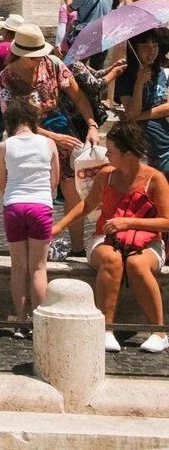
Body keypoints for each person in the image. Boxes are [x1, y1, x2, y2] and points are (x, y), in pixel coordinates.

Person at [52, 122, 169, 353]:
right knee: (111, 259)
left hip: (148, 241)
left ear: (127, 154)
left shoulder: (155, 179)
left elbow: (166, 221)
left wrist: (128, 222)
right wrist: (59, 226)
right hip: (105, 238)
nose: (106, 155)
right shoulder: (106, 175)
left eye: (111, 151)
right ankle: (106, 328)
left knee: (137, 264)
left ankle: (159, 331)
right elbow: (87, 205)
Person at [0, 23, 102, 257]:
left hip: (60, 127)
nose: (38, 59)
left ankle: (77, 247)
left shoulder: (53, 64)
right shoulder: (7, 77)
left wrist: (92, 125)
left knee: (72, 190)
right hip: (26, 136)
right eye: (32, 56)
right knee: (34, 192)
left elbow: (78, 96)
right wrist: (51, 138)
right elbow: (13, 120)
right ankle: (31, 245)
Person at [0, 99, 58, 338]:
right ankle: (39, 322)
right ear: (34, 120)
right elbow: (54, 181)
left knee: (18, 267)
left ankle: (20, 322)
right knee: (38, 268)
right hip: (41, 205)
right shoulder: (49, 143)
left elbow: (1, 184)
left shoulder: (4, 146)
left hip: (14, 206)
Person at [119, 31, 169, 175]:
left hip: (165, 142)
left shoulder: (163, 74)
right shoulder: (126, 78)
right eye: (145, 47)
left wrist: (139, 116)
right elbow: (132, 112)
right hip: (144, 148)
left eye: (155, 46)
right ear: (134, 48)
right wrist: (139, 84)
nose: (151, 51)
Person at [0, 14, 26, 184]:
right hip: (18, 98)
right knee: (17, 134)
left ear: (7, 31)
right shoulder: (23, 48)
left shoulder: (0, 48)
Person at [69, 0, 115, 64]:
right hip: (103, 35)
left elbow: (69, 9)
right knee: (98, 67)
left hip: (86, 35)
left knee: (80, 67)